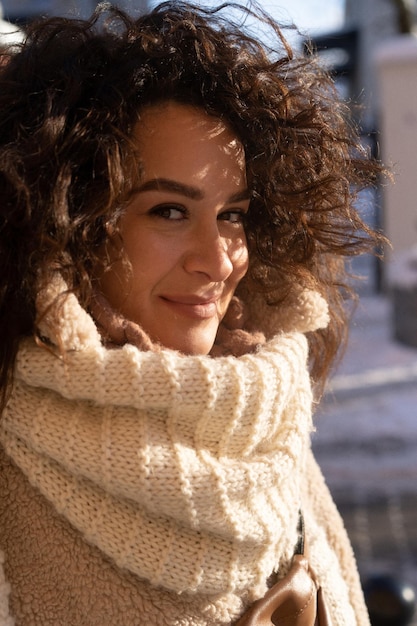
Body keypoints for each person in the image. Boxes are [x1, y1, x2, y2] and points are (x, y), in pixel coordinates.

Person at [0, 2, 386, 625]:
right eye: (169, 212)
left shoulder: (269, 412)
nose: (219, 260)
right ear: (68, 224)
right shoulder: (14, 453)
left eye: (233, 214)